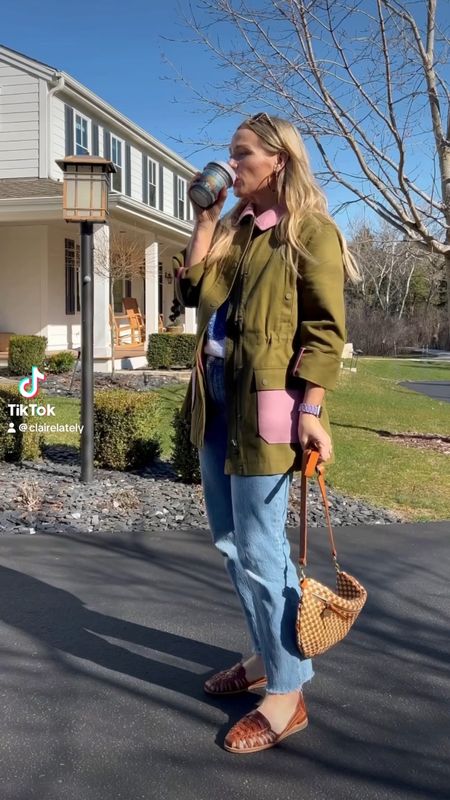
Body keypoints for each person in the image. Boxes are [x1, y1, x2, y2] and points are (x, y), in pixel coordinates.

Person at [173, 112, 359, 754]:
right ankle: (264, 658)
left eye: (241, 153)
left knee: (260, 550)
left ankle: (286, 693)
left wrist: (311, 410)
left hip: (273, 407)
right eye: (228, 153)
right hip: (218, 399)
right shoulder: (238, 228)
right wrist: (204, 218)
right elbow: (196, 292)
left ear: (277, 160)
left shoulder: (311, 231)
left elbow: (326, 332)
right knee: (231, 543)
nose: (231, 162)